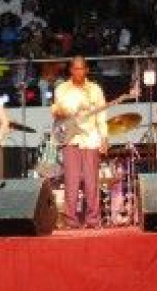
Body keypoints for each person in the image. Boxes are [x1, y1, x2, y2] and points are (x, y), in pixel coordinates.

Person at [51, 56, 108, 229]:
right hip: (71, 137)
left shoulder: (95, 89)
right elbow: (60, 110)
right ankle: (70, 220)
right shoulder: (62, 88)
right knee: (71, 180)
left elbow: (101, 115)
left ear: (86, 70)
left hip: (90, 137)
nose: (78, 71)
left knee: (92, 181)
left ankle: (93, 219)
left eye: (81, 68)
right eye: (75, 68)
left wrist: (104, 137)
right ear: (71, 70)